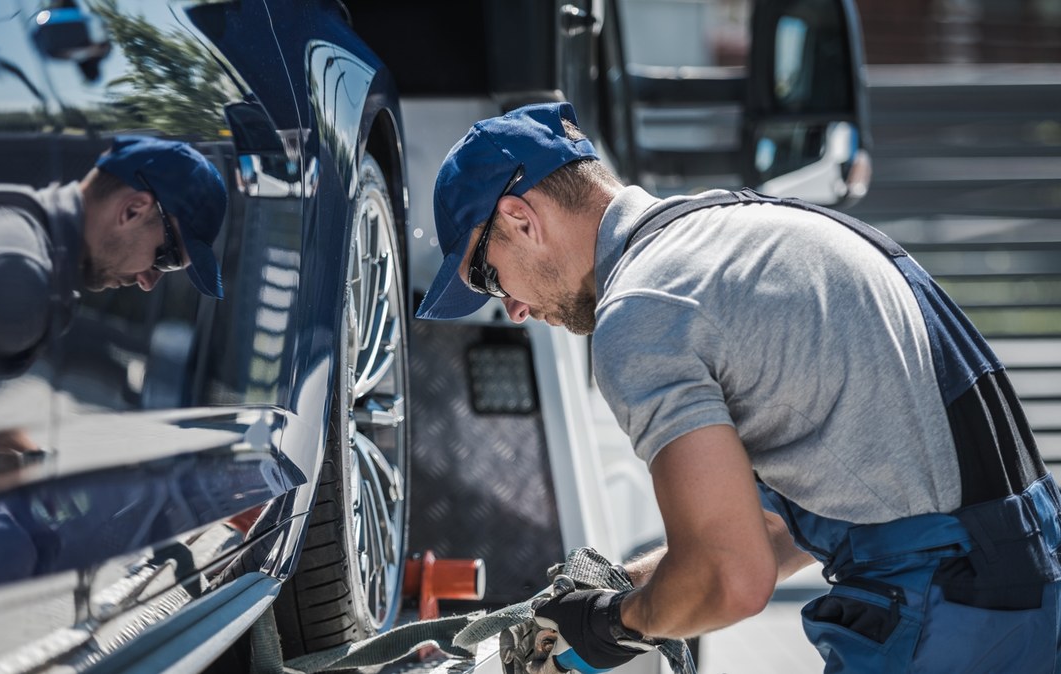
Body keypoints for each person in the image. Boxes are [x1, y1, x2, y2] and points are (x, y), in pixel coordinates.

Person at [416, 102, 1059, 672]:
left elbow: (731, 579)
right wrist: (622, 589)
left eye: (489, 277)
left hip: (943, 621)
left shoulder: (642, 311)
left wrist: (609, 627)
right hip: (1025, 587)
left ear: (521, 219)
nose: (514, 310)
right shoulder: (743, 228)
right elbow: (838, 511)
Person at [0, 135, 228, 369]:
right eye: (165, 259)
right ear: (132, 211)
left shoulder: (22, 236)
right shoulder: (20, 282)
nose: (147, 282)